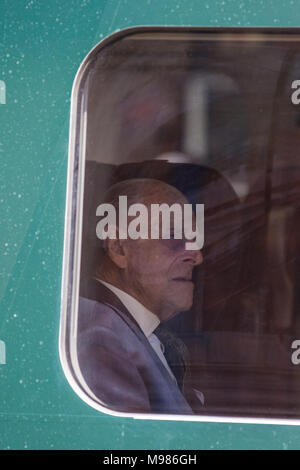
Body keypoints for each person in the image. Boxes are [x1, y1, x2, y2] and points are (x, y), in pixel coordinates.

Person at [77, 178, 203, 414]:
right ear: (119, 248)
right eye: (174, 237)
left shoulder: (126, 329)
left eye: (196, 239)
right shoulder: (101, 337)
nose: (196, 256)